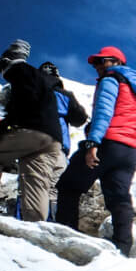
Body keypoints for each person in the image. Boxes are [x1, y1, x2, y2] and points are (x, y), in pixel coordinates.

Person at [55, 46, 136, 256]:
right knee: (119, 198)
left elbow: (104, 112)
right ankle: (123, 248)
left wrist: (92, 144)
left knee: (69, 186)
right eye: (95, 63)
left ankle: (66, 236)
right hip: (130, 152)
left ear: (116, 62)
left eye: (102, 61)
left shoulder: (112, 80)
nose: (97, 67)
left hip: (108, 144)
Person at [0, 40, 70, 221]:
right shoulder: (44, 81)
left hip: (31, 130)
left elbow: (25, 102)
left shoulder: (19, 72)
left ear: (7, 62)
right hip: (53, 139)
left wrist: (1, 127)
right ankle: (34, 226)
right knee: (35, 181)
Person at [40, 61, 88, 221]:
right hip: (58, 145)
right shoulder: (64, 95)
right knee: (55, 187)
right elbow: (80, 119)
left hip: (31, 145)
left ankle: (27, 221)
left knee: (32, 184)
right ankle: (52, 224)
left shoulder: (29, 91)